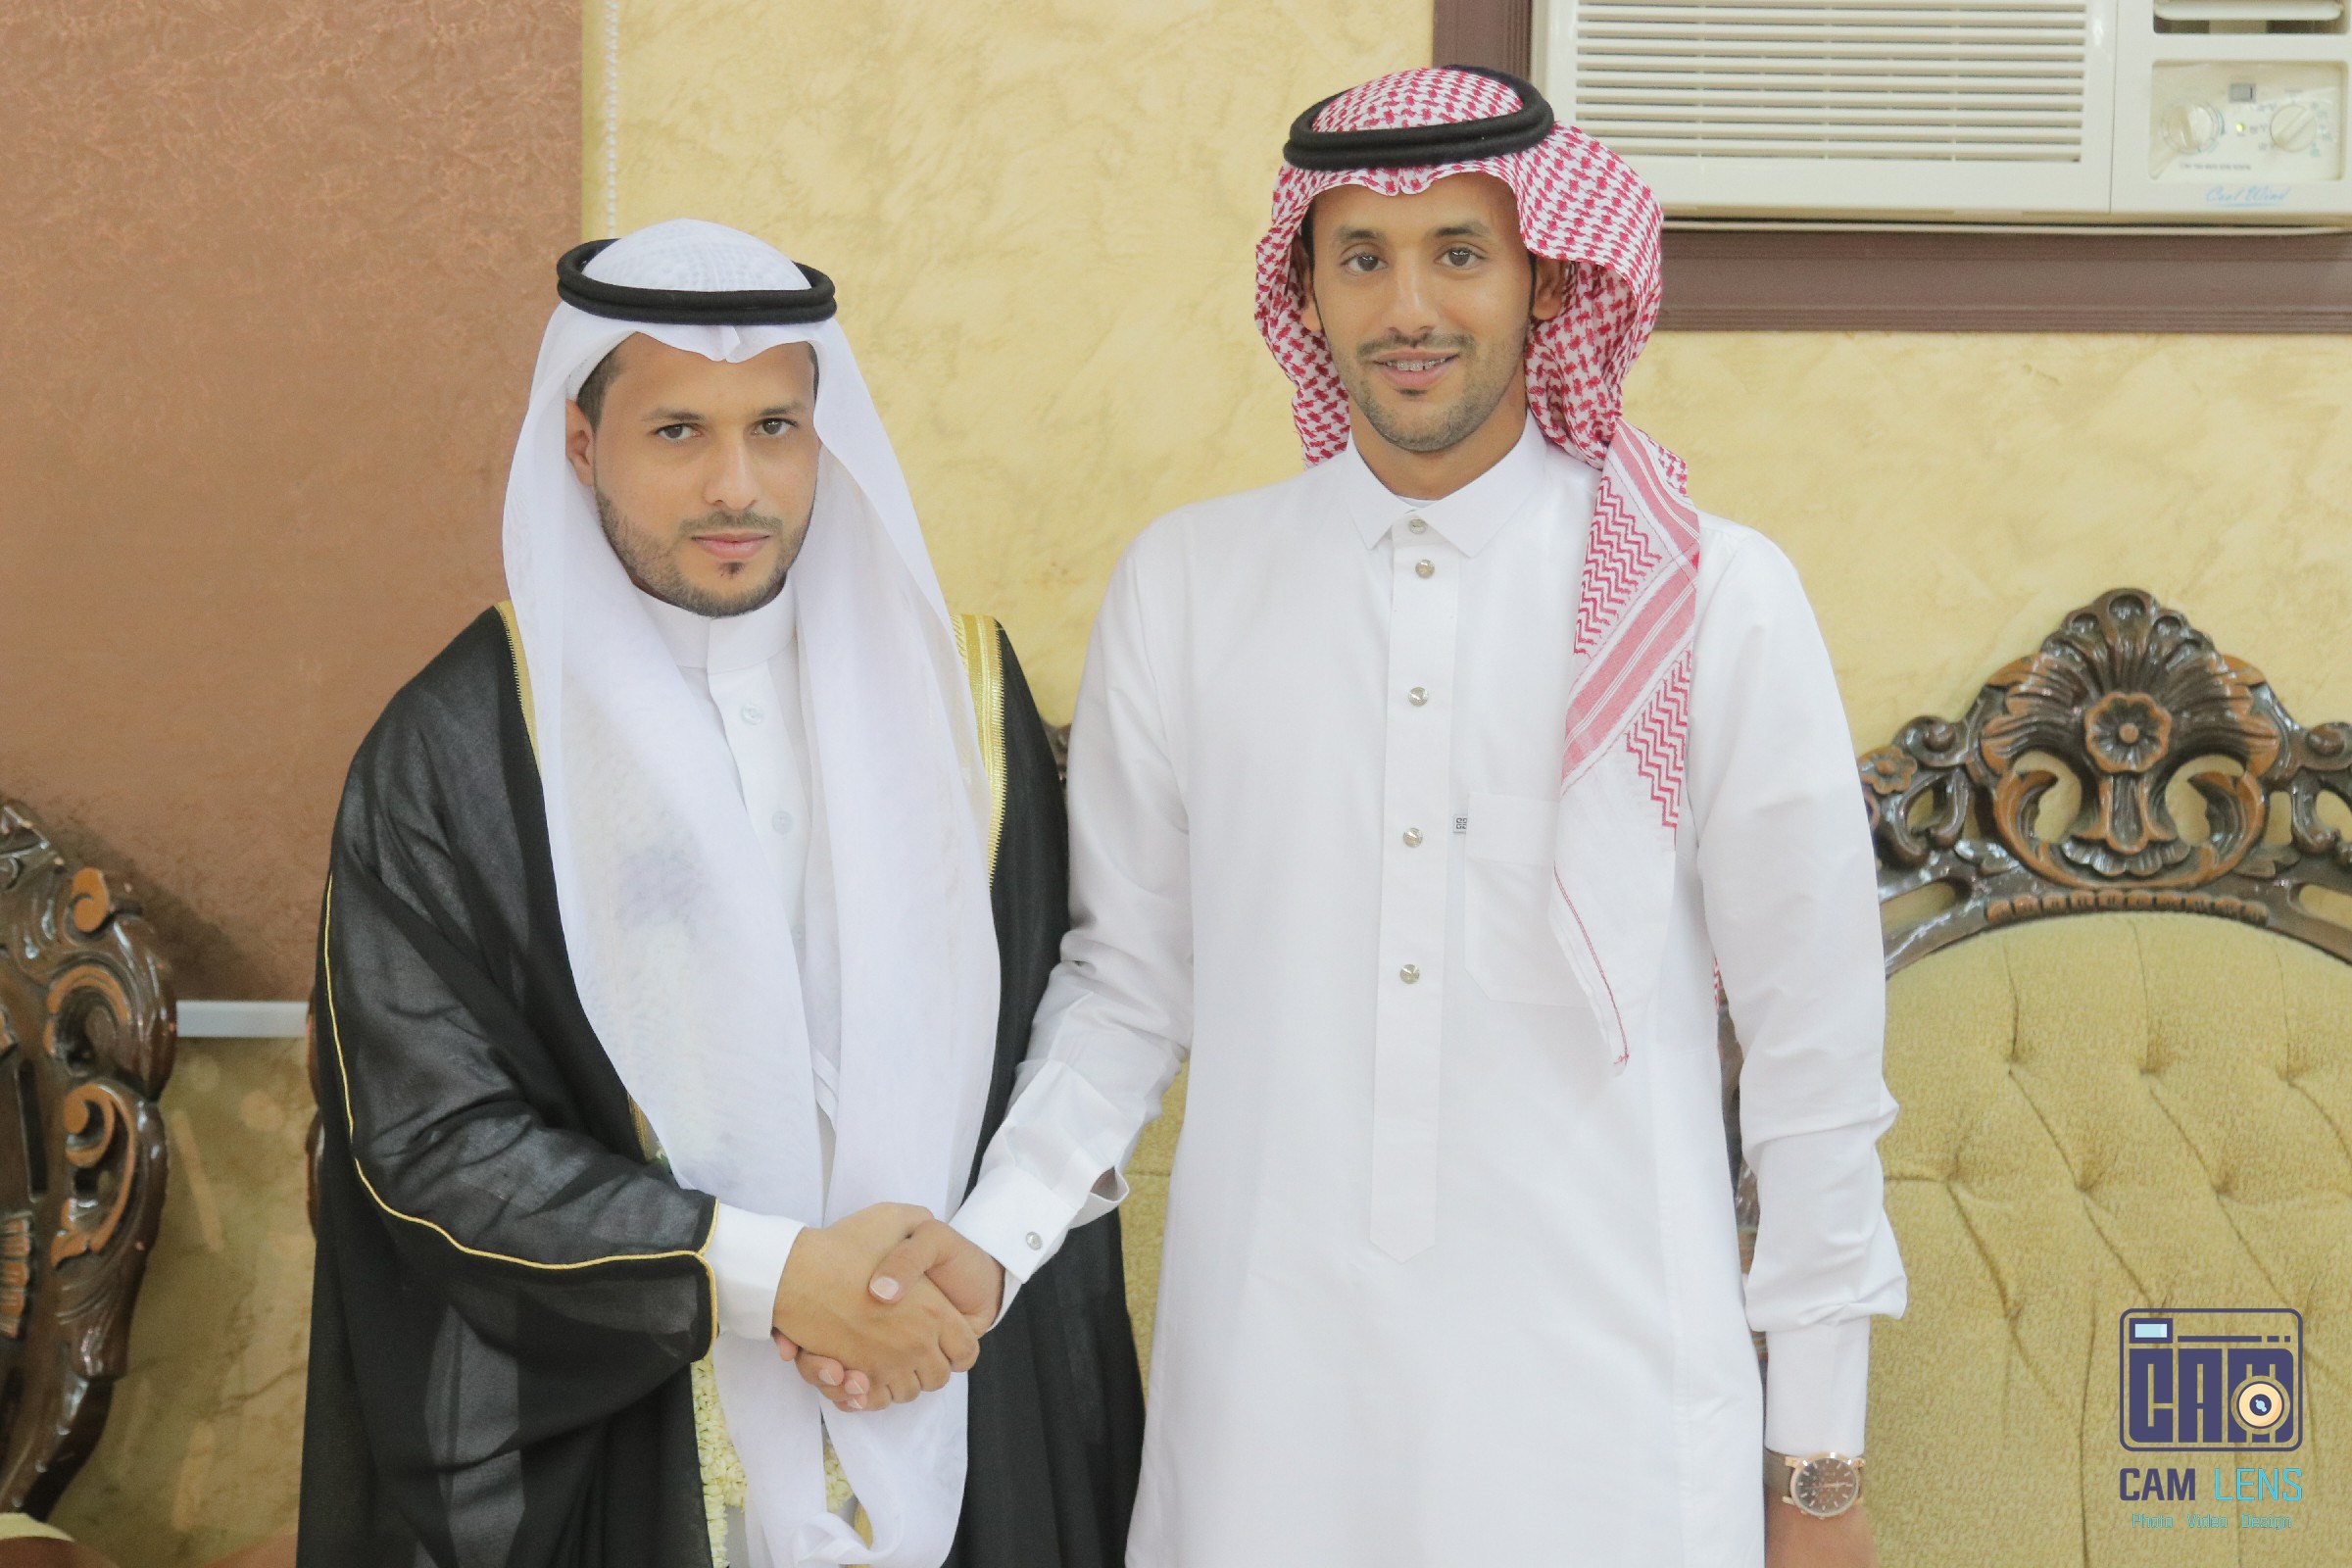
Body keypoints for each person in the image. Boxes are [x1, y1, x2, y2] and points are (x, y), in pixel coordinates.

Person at [826, 66, 1908, 1567]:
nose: (1410, 307)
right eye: (1362, 258)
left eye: (1460, 252)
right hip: (1271, 1417)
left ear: (1545, 277)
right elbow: (1128, 989)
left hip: (1616, 1426)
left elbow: (1814, 1062)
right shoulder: (1190, 586)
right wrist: (989, 1245)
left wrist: (1821, 1469)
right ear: (1306, 291)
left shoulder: (1708, 596)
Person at [298, 219, 1141, 1568]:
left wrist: (972, 1259)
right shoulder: (462, 751)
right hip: (637, 1454)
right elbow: (431, 1138)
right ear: (583, 447)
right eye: (678, 431)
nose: (736, 486)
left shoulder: (961, 708)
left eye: (776, 429)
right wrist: (769, 1278)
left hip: (951, 1378)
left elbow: (1074, 1017)